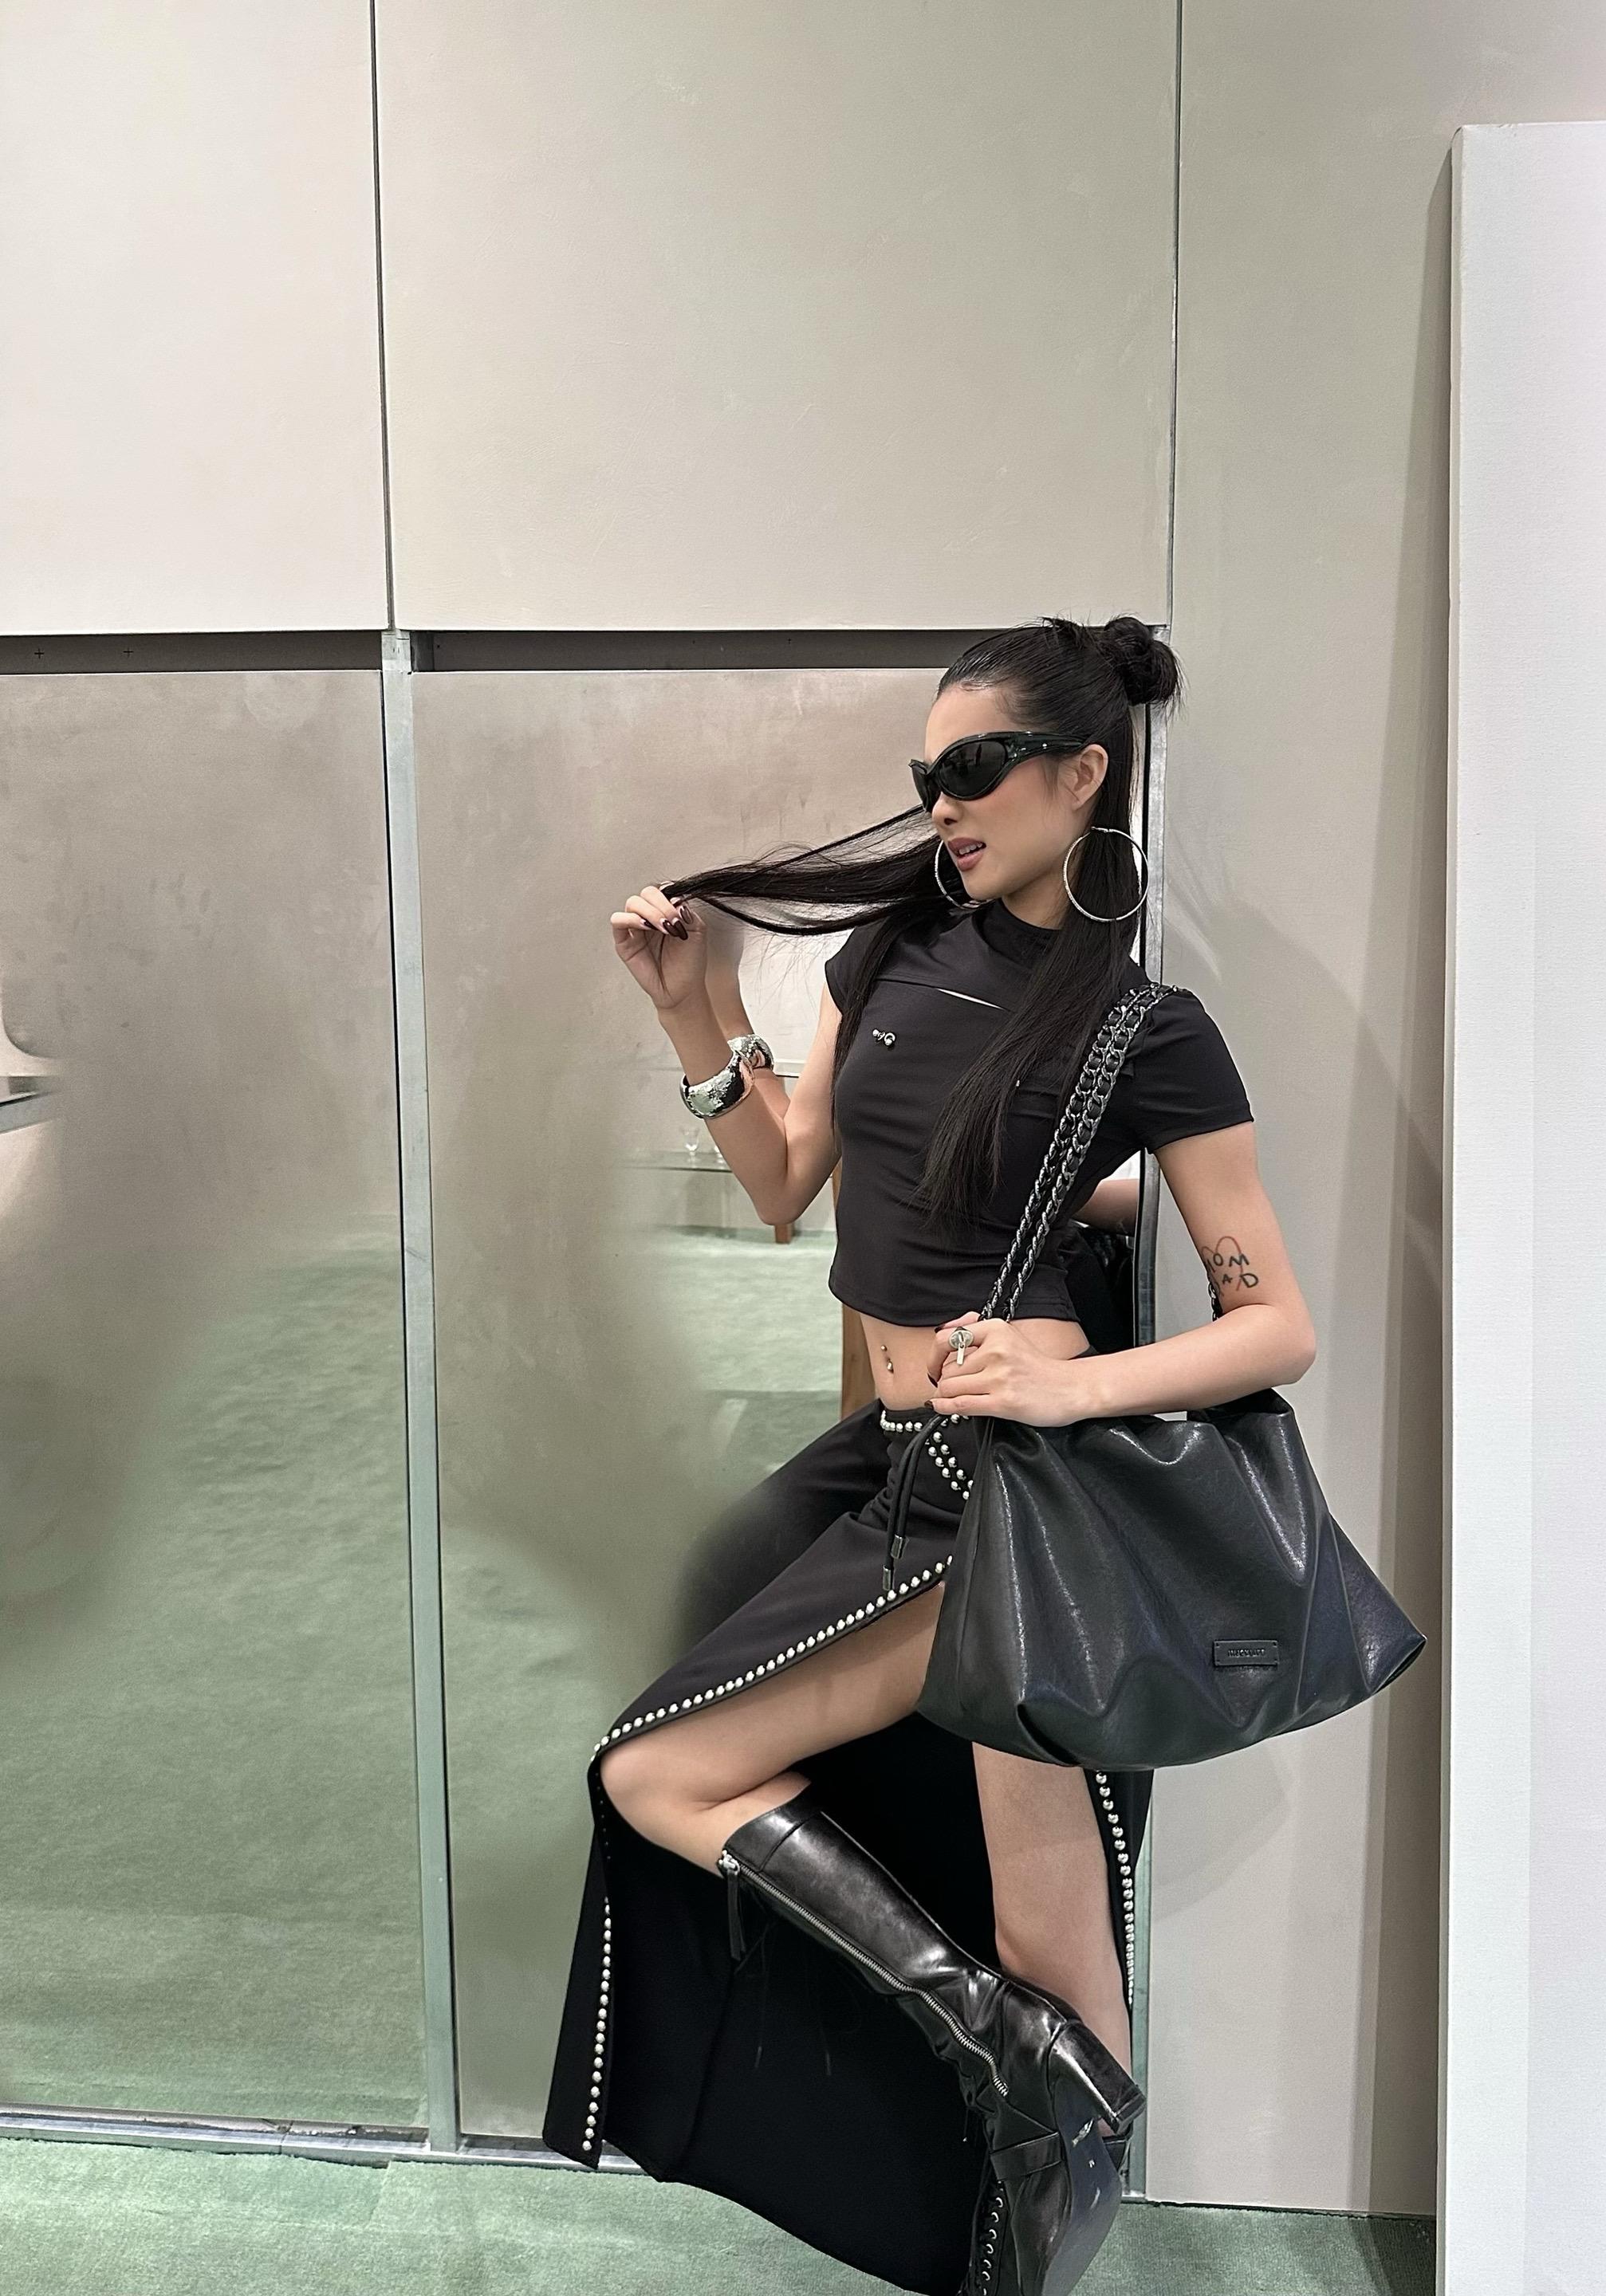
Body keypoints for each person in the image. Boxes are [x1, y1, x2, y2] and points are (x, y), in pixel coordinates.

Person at [541, 615, 1317, 2296]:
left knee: (1026, 1929)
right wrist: (691, 1015)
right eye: (927, 774)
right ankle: (1011, 2054)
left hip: (1013, 1495)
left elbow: (1274, 1326)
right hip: (888, 1460)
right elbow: (784, 1183)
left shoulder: (1145, 1028)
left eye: (973, 768)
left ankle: (1030, 2086)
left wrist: (1067, 1390)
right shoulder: (887, 959)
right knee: (700, 1784)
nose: (941, 804)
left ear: (1081, 772)